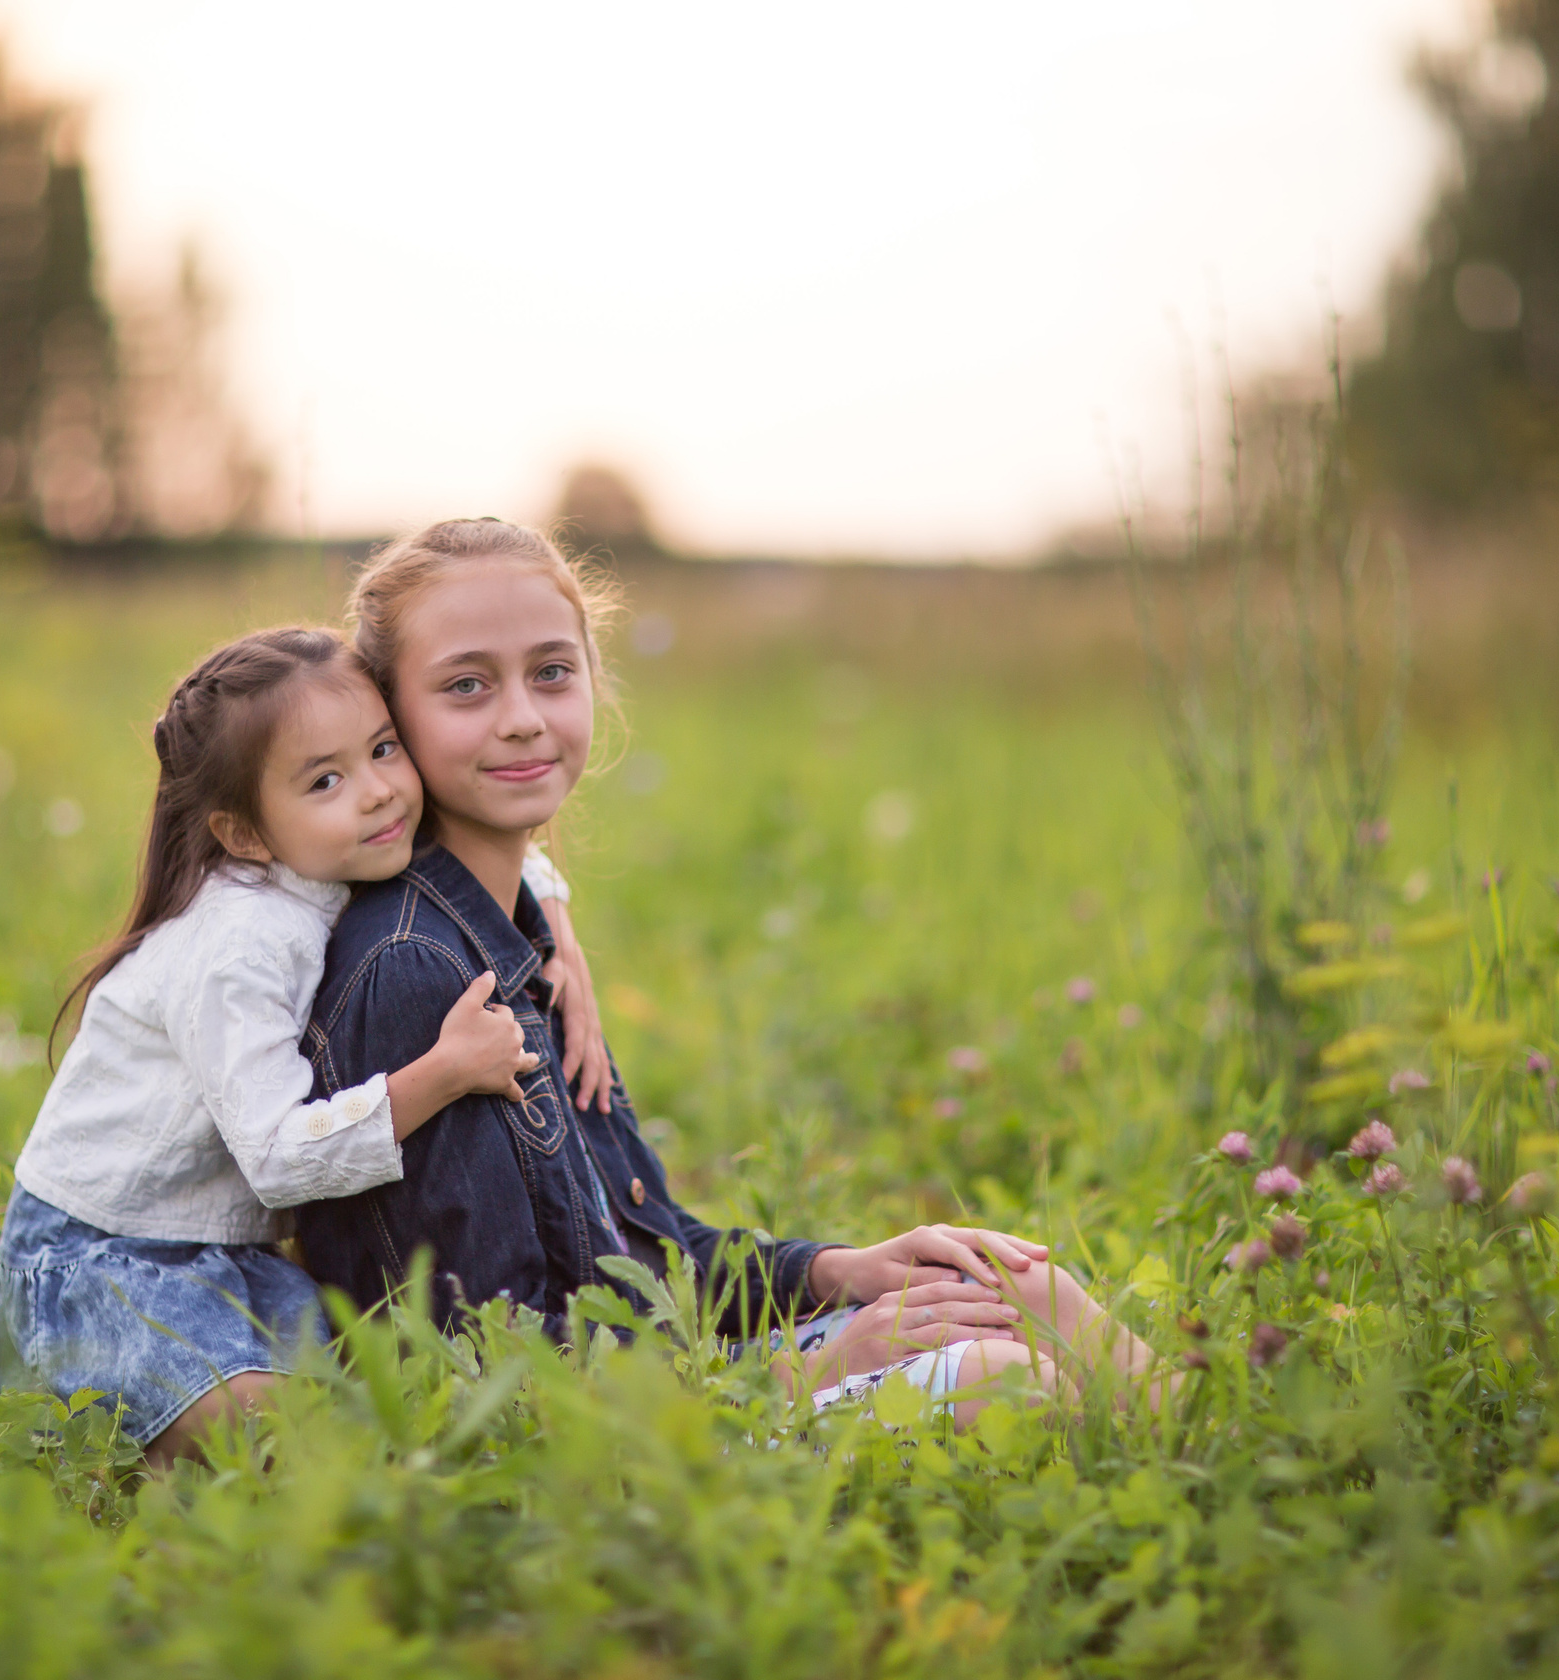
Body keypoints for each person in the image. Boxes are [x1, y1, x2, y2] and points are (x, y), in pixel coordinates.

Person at [297, 520, 1164, 1423]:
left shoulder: (523, 941)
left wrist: (842, 1272)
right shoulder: (419, 979)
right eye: (467, 685)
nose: (522, 714)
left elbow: (649, 1264)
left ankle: (1239, 1451)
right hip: (607, 1458)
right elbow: (490, 1373)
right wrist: (800, 1373)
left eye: (552, 671)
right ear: (388, 721)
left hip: (669, 1380)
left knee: (1024, 1285)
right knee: (1008, 1382)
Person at [0, 625, 612, 1469]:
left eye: (384, 748)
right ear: (243, 833)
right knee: (297, 1437)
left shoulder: (332, 846)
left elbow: (496, 856)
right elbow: (278, 1156)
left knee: (382, 1397)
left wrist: (557, 924)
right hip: (103, 1265)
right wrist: (444, 1072)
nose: (381, 792)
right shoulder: (239, 946)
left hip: (228, 1255)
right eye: (325, 779)